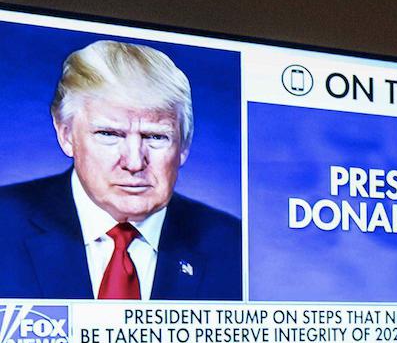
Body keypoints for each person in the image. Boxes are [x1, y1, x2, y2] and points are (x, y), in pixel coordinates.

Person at [0, 40, 242, 301]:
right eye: (109, 134)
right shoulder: (6, 223)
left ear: (184, 145)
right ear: (66, 135)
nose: (135, 163)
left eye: (155, 137)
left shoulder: (234, 245)